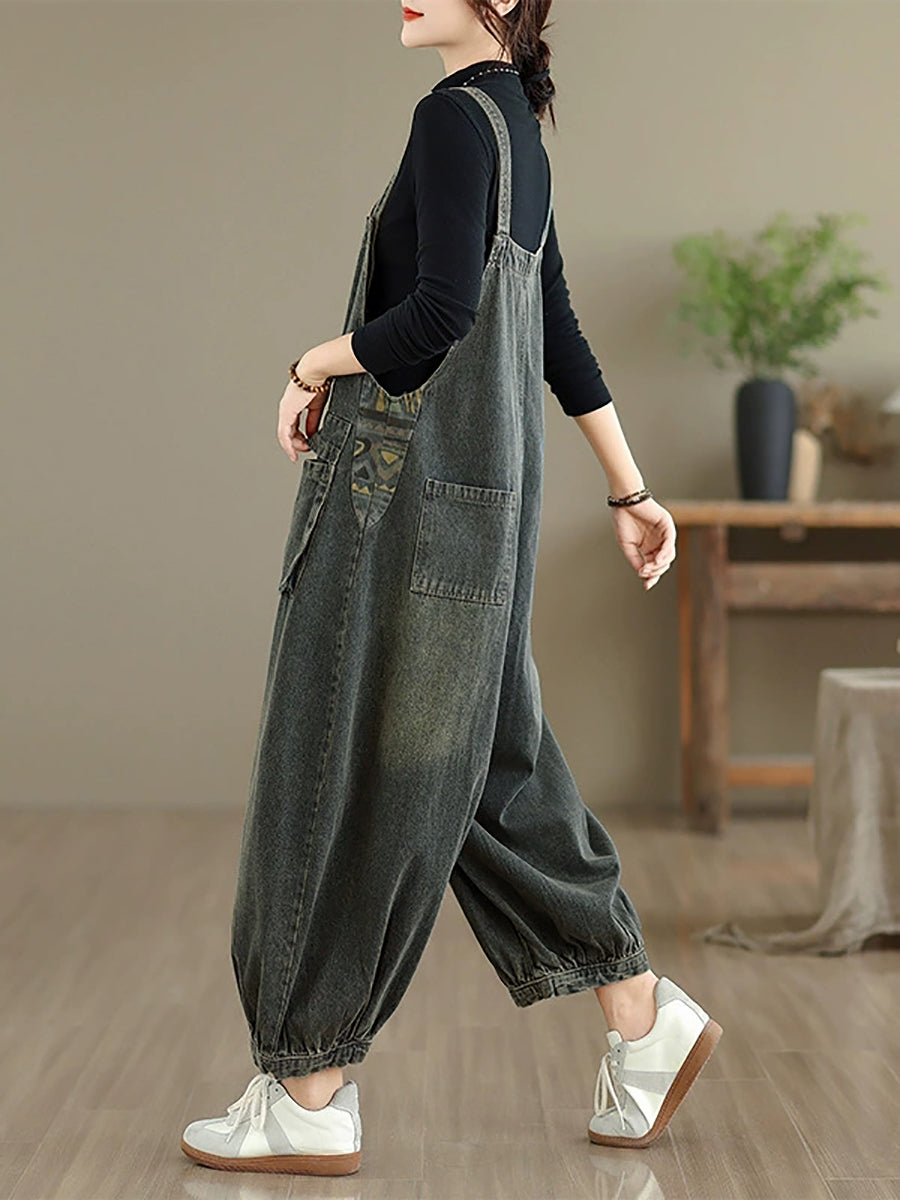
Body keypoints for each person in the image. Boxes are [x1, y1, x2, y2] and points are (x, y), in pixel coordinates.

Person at [180, 0, 722, 1177]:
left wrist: (310, 363)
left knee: (333, 763)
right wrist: (631, 490)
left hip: (401, 498)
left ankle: (307, 1086)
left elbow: (438, 322)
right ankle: (639, 1017)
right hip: (489, 510)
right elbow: (554, 330)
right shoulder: (516, 129)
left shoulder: (449, 120)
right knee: (484, 763)